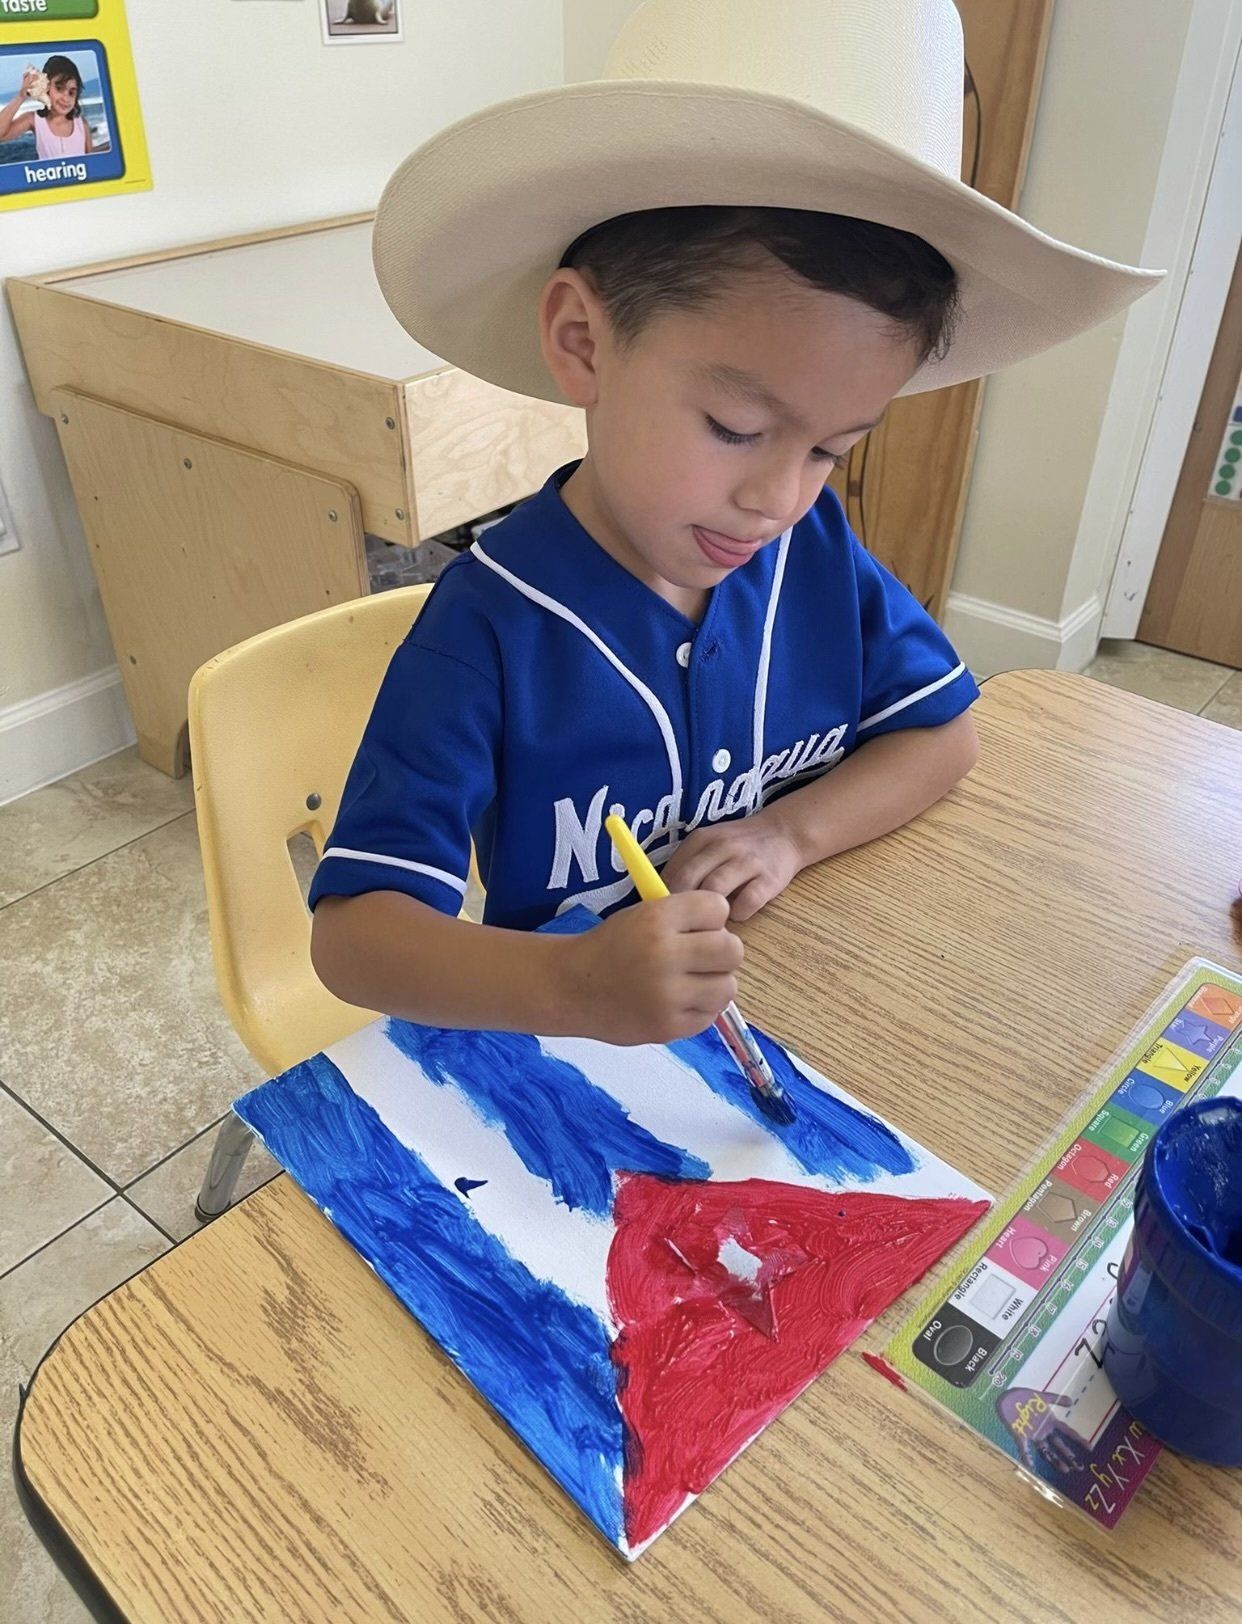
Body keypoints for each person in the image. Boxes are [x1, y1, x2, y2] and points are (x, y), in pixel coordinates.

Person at [309, 0, 1162, 1047]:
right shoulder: (487, 627)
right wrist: (570, 984)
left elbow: (943, 738)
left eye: (829, 449)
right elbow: (355, 939)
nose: (780, 498)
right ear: (583, 339)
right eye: (736, 425)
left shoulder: (812, 552)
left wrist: (787, 835)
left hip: (809, 1002)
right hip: (575, 1061)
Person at [0, 57, 92, 160]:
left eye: (71, 92)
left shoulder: (82, 125)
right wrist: (21, 97)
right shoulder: (34, 120)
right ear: (46, 87)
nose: (66, 98)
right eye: (59, 88)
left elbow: (91, 164)